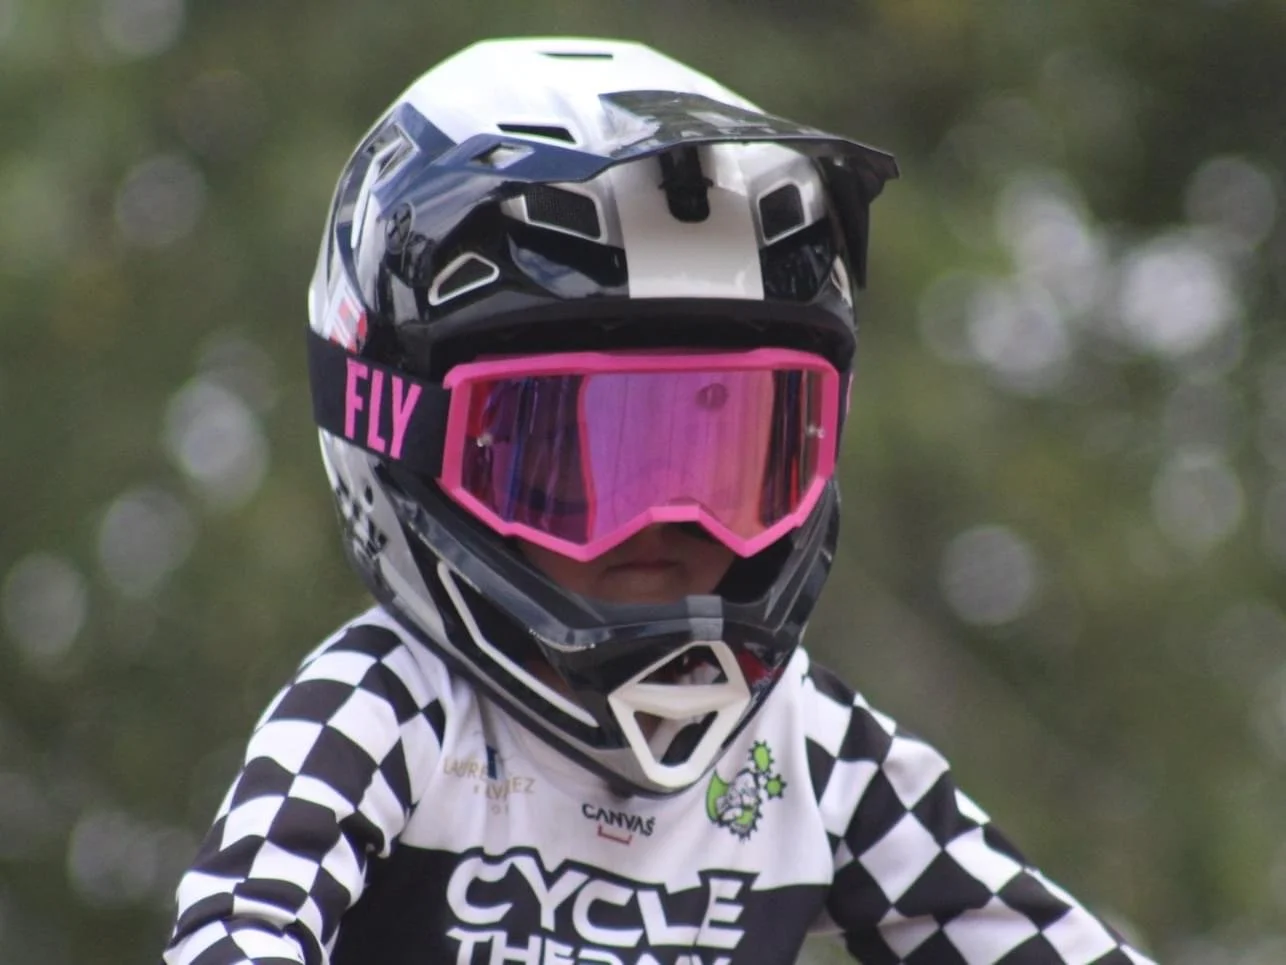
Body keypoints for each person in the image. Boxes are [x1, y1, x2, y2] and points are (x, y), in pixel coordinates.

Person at [162, 37, 1156, 965]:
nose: (668, 522)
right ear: (397, 435)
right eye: (569, 455)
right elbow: (234, 933)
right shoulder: (387, 705)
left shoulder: (805, 744)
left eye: (727, 452)